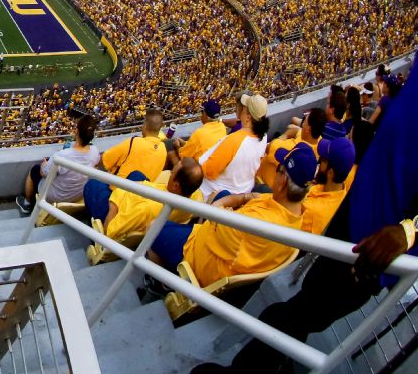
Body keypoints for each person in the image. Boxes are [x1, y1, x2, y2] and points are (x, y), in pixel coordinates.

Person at [191, 77, 414, 374]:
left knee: (293, 315)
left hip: (373, 249)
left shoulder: (287, 208)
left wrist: (409, 231)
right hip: (355, 222)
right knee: (302, 309)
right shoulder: (324, 191)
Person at [148, 143, 314, 290]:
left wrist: (223, 206)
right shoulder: (294, 214)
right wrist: (242, 198)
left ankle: (166, 282)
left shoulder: (255, 223)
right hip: (227, 245)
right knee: (221, 194)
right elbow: (246, 198)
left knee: (152, 227)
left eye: (278, 169)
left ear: (283, 181)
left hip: (200, 259)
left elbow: (214, 214)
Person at [88, 158, 205, 243]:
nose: (170, 172)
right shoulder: (194, 199)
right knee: (136, 174)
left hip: (118, 212)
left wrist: (114, 204)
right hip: (139, 196)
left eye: (172, 173)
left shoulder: (145, 209)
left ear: (176, 186)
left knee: (93, 184)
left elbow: (110, 232)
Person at [16, 115, 101, 215]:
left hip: (55, 196)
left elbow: (44, 174)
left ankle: (27, 203)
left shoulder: (61, 156)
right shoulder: (95, 151)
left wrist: (44, 165)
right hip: (78, 194)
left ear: (76, 131)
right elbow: (94, 164)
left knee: (34, 169)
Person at [198, 93, 269, 200]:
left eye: (244, 109)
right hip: (241, 190)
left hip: (213, 192)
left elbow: (208, 172)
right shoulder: (263, 136)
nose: (241, 110)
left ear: (248, 117)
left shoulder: (234, 141)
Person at [301, 137, 355, 235]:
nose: (319, 162)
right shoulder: (343, 193)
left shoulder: (311, 211)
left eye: (323, 160)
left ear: (330, 172)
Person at [97, 109, 168, 181]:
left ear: (145, 126)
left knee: (93, 183)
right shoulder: (163, 149)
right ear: (160, 127)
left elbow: (103, 160)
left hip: (119, 189)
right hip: (143, 191)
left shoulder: (133, 142)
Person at [171, 100, 228, 164]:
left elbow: (184, 157)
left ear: (206, 115)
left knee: (171, 154)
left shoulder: (199, 133)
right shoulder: (222, 126)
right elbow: (202, 144)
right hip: (214, 163)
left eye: (202, 112)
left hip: (202, 169)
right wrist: (185, 143)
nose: (201, 114)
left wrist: (177, 146)